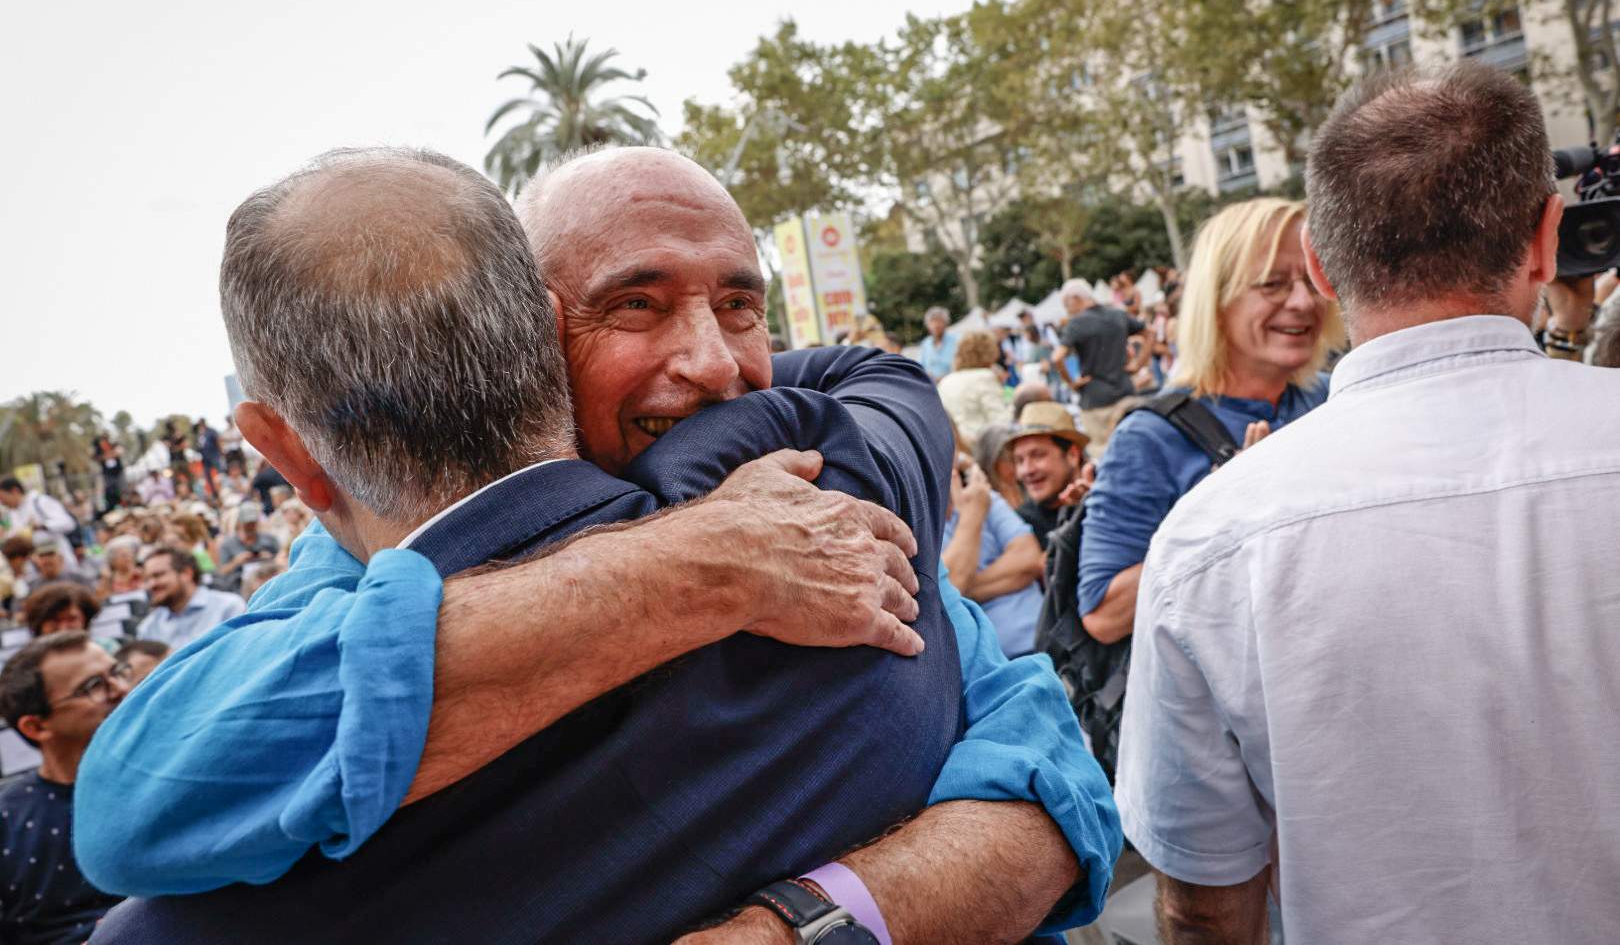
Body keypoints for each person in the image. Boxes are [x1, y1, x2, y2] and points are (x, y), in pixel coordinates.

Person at [83, 148, 1115, 943]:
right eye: (637, 304)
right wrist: (703, 566)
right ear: (527, 338)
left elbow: (1050, 784)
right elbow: (141, 791)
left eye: (741, 304)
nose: (716, 367)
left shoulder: (818, 512)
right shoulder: (340, 594)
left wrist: (807, 923)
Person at [1117, 61, 1620, 943]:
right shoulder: (1211, 526)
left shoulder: (1212, 537)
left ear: (1319, 258)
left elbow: (1201, 902)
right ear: (1547, 239)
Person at [1078, 199, 1342, 649]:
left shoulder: (1334, 396)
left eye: (1311, 280)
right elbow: (1103, 615)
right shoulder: (1150, 437)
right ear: (1215, 302)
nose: (1302, 302)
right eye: (1273, 284)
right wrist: (1221, 514)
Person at [0, 632, 129, 945]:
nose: (123, 689)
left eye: (117, 672)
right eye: (94, 686)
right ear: (37, 726)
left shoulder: (176, 779)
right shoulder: (8, 818)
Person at [941, 461, 1044, 658]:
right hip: (992, 665)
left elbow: (1029, 560)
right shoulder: (913, 523)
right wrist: (974, 514)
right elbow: (952, 586)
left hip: (1044, 644)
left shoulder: (986, 497)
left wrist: (961, 590)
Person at [1051, 279, 1145, 452]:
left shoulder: (1077, 323)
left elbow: (1057, 358)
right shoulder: (1117, 314)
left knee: (1104, 454)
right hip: (1127, 393)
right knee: (1137, 447)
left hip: (1096, 403)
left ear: (1077, 298)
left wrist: (1071, 383)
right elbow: (1150, 332)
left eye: (1067, 305)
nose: (1067, 310)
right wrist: (1139, 363)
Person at [1007, 401, 1091, 549]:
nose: (1027, 470)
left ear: (1072, 455)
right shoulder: (1021, 524)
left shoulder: (1104, 503)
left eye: (1038, 455)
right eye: (1019, 460)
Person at [131, 546, 245, 650]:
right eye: (147, 579)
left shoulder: (228, 607)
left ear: (187, 573)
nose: (151, 584)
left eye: (158, 575)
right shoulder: (149, 628)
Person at [936, 329, 1012, 442]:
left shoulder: (945, 381)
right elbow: (1002, 420)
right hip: (980, 445)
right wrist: (1010, 399)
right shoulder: (985, 377)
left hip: (953, 446)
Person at [0, 478, 81, 572]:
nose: (2, 502)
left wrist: (42, 526)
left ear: (15, 491)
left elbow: (68, 523)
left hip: (59, 558)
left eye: (2, 498)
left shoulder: (39, 501)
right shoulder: (12, 514)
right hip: (36, 565)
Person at [214, 501, 277, 591]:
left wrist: (269, 559)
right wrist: (236, 562)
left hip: (268, 585)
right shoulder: (228, 544)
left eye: (253, 523)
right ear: (239, 522)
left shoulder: (269, 540)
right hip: (238, 588)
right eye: (247, 523)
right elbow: (220, 572)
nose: (250, 526)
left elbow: (282, 564)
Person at [23, 583, 100, 637]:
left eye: (72, 619)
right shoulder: (29, 659)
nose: (63, 629)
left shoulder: (105, 651)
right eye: (55, 620)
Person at [29, 536, 96, 590]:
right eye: (42, 556)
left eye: (50, 554)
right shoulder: (32, 586)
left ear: (61, 558)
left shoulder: (77, 579)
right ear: (36, 560)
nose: (46, 559)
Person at [917, 305, 958, 381]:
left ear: (946, 323)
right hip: (930, 385)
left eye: (940, 321)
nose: (936, 325)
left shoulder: (956, 341)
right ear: (927, 325)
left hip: (951, 382)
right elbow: (920, 367)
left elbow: (959, 366)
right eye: (932, 321)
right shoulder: (925, 344)